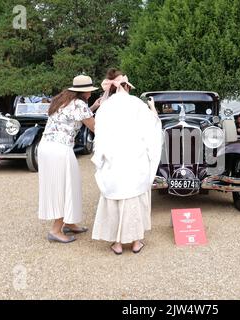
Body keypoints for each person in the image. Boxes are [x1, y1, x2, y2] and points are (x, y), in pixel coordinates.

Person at [92, 68, 162, 255]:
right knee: (134, 197)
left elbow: (99, 135)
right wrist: (154, 112)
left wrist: (100, 158)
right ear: (125, 86)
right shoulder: (136, 103)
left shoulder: (105, 107)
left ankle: (117, 243)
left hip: (114, 159)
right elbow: (151, 129)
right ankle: (136, 241)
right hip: (134, 158)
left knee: (116, 196)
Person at [38, 75, 97, 244]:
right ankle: (56, 230)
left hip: (46, 147)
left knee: (62, 185)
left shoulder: (62, 101)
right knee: (65, 187)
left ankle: (69, 222)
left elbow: (74, 117)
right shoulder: (80, 105)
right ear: (85, 92)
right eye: (89, 91)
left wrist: (93, 107)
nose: (91, 94)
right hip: (60, 150)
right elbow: (95, 127)